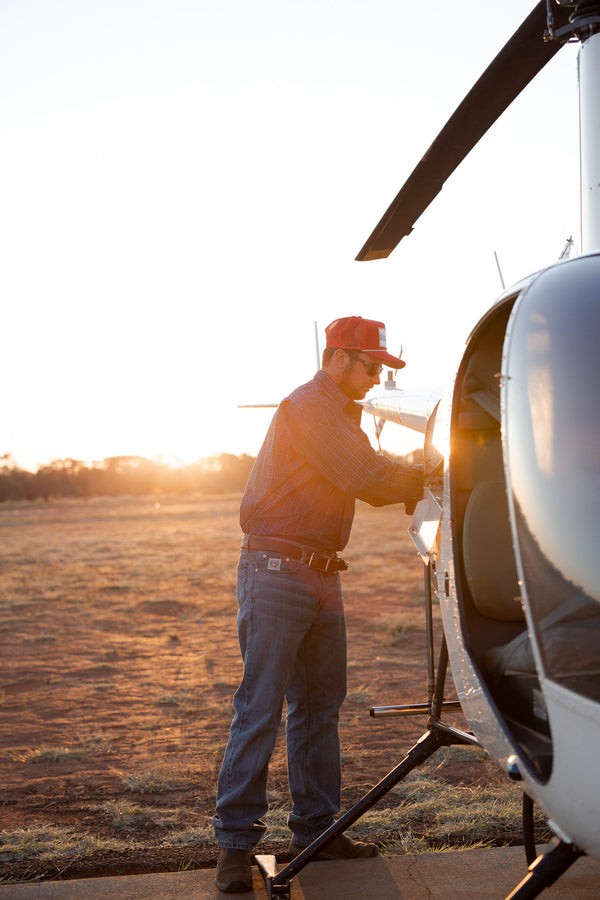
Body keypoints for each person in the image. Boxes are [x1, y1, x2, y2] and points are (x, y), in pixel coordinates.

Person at [213, 316, 423, 893]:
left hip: (321, 572)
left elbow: (368, 475)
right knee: (262, 706)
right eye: (371, 365)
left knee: (319, 707)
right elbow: (367, 476)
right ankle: (234, 847)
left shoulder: (338, 410)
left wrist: (413, 476)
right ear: (337, 357)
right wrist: (431, 473)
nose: (377, 376)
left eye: (381, 367)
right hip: (278, 569)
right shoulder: (310, 405)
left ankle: (315, 834)